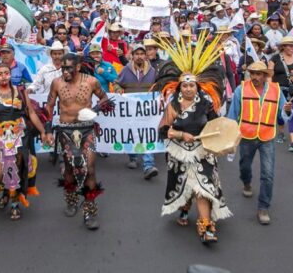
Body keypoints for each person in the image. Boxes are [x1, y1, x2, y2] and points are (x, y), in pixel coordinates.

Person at [155, 33, 232, 244]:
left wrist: (226, 143)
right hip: (178, 152)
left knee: (203, 188)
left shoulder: (206, 105)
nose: (189, 88)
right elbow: (162, 130)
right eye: (185, 85)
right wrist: (181, 134)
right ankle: (184, 207)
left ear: (198, 86)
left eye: (192, 85)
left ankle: (206, 227)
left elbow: (216, 127)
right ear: (180, 87)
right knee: (185, 186)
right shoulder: (174, 106)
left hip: (202, 152)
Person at [43, 53, 113, 230]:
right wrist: (48, 130)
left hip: (87, 130)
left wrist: (95, 109)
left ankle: (89, 210)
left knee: (89, 169)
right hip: (65, 130)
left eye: (68, 68)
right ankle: (71, 199)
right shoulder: (57, 83)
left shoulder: (91, 82)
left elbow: (105, 98)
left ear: (78, 67)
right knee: (68, 168)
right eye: (63, 68)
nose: (64, 71)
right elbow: (49, 106)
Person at [0, 63, 46, 220]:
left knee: (17, 169)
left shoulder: (20, 91)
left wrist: (42, 131)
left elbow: (31, 113)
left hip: (20, 137)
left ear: (10, 74)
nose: (3, 76)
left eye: (6, 73)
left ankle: (14, 203)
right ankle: (6, 192)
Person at [228, 61, 293, 225]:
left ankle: (263, 207)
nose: (255, 77)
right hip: (247, 136)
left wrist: (287, 111)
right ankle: (247, 182)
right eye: (253, 73)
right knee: (244, 166)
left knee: (268, 174)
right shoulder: (240, 90)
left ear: (265, 75)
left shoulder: (276, 91)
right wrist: (229, 136)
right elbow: (232, 115)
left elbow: (284, 114)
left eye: (259, 74)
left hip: (267, 136)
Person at [118, 43, 158, 179]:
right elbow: (117, 82)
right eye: (137, 54)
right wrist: (119, 91)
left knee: (146, 134)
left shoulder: (153, 72)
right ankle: (133, 157)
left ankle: (148, 165)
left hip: (146, 112)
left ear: (146, 56)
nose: (139, 56)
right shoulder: (125, 70)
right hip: (130, 110)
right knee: (131, 134)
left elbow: (159, 86)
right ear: (132, 56)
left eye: (142, 54)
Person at [267, 36, 293, 152]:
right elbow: (269, 75)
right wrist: (271, 89)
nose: (292, 48)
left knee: (292, 115)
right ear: (283, 47)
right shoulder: (274, 58)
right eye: (289, 45)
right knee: (280, 115)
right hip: (279, 90)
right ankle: (280, 132)